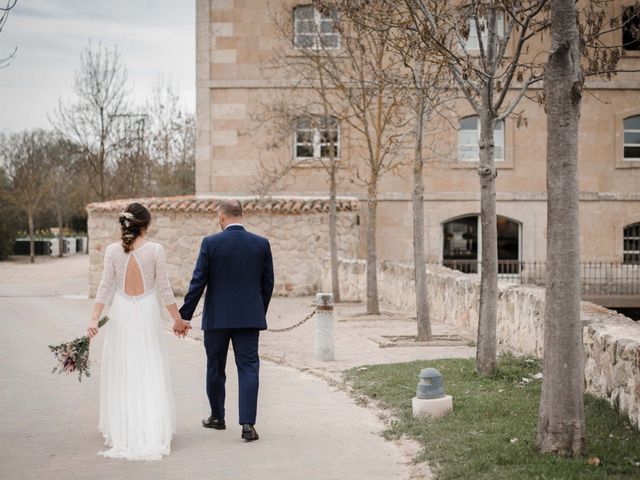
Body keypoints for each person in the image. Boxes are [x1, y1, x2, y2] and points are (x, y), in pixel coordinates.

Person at [87, 202, 191, 461]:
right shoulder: (156, 250)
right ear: (146, 225)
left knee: (123, 370)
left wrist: (93, 319)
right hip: (146, 312)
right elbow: (165, 289)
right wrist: (178, 320)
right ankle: (151, 427)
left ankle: (124, 427)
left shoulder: (112, 251)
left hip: (122, 311)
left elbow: (104, 288)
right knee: (149, 367)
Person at [180, 198, 274, 442]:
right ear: (241, 215)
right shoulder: (261, 244)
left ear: (221, 217)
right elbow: (268, 284)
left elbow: (198, 281)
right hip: (249, 318)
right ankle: (247, 425)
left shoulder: (210, 243)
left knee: (215, 366)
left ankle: (217, 417)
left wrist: (184, 316)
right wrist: (257, 311)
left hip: (217, 319)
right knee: (249, 367)